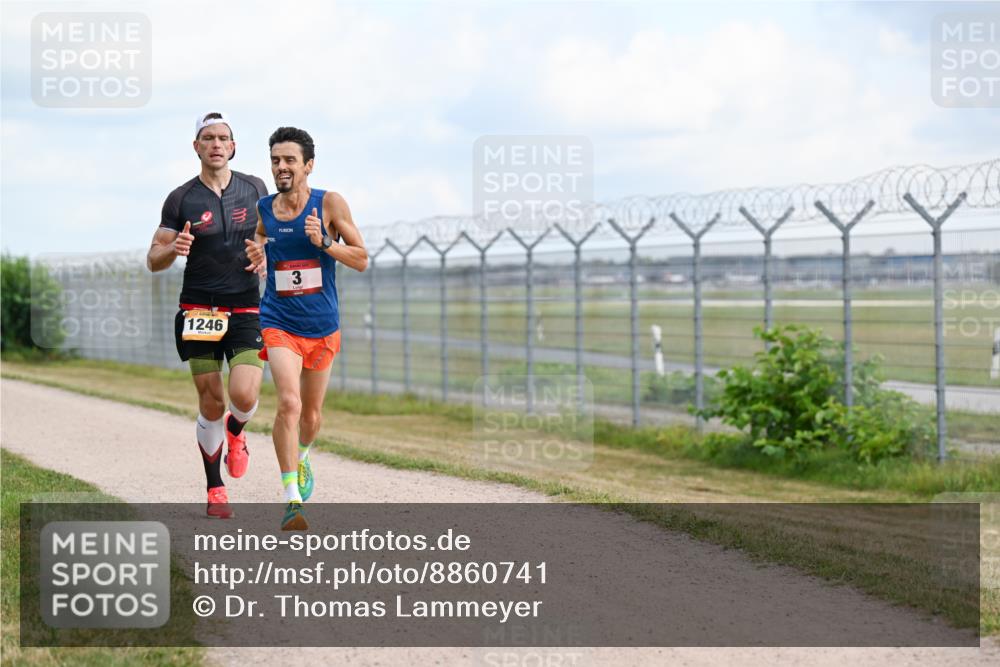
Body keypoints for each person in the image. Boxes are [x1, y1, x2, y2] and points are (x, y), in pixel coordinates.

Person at [245, 127, 367, 530]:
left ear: (308, 165)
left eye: (289, 160)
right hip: (278, 321)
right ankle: (291, 499)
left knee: (311, 415)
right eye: (276, 160)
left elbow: (362, 258)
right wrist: (258, 251)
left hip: (322, 324)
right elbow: (260, 238)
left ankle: (302, 455)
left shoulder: (328, 204)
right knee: (289, 403)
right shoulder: (264, 208)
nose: (281, 167)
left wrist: (325, 244)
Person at [147, 111, 268, 519]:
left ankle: (237, 431)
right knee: (212, 402)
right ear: (196, 147)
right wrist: (173, 249)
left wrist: (263, 253)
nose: (216, 144)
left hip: (246, 305)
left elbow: (268, 237)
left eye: (223, 138)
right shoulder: (181, 198)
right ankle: (215, 488)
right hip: (199, 307)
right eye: (208, 138)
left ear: (233, 147)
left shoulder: (255, 188)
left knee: (245, 395)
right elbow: (153, 259)